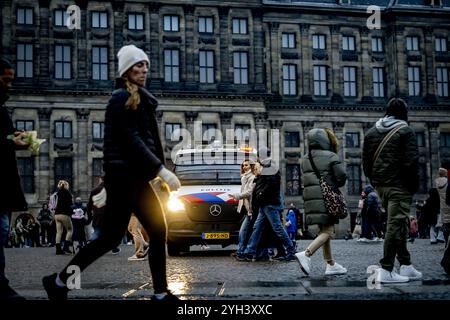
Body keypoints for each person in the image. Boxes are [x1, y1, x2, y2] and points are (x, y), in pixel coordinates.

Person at [42, 44, 181, 301]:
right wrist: (161, 169)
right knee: (108, 239)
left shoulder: (139, 97)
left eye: (146, 65)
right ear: (127, 69)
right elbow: (131, 139)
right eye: (139, 65)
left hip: (137, 179)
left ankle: (161, 293)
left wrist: (156, 172)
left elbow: (144, 141)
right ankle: (60, 281)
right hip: (124, 179)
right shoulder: (120, 98)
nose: (144, 69)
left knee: (158, 230)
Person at [363, 97, 422, 283]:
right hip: (399, 185)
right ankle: (386, 269)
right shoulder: (406, 131)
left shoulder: (372, 132)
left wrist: (375, 180)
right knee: (395, 225)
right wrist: (412, 186)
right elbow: (411, 162)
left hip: (380, 185)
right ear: (404, 113)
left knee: (400, 222)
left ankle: (405, 265)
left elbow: (366, 163)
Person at [295, 128, 348, 276]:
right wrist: (336, 184)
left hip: (311, 200)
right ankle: (306, 253)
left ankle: (330, 264)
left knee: (324, 231)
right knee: (329, 231)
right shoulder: (331, 156)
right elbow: (342, 175)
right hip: (327, 199)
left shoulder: (305, 158)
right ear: (325, 140)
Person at [0, 58, 28, 300]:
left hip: (3, 185)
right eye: (5, 80)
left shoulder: (1, 107)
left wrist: (14, 137)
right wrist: (10, 141)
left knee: (0, 232)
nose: (10, 85)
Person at [240, 147, 296, 262]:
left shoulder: (270, 167)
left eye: (258, 156)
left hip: (269, 203)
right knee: (257, 227)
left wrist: (260, 194)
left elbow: (270, 184)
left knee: (277, 228)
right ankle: (249, 252)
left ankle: (291, 250)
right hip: (264, 203)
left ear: (262, 156)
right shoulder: (267, 166)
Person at [229, 159, 256, 258]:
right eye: (243, 165)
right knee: (247, 231)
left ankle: (241, 251)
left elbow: (249, 193)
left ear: (251, 166)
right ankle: (243, 250)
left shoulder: (251, 177)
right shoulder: (244, 177)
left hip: (250, 208)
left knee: (243, 231)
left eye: (246, 165)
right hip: (246, 207)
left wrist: (237, 196)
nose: (244, 167)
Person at [86, 177, 120, 254]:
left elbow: (89, 205)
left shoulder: (94, 190)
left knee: (97, 231)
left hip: (97, 215)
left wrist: (89, 217)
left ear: (101, 180)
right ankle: (114, 248)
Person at [54, 180, 74, 255]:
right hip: (64, 214)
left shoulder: (57, 193)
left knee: (59, 232)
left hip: (56, 215)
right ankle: (66, 247)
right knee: (70, 230)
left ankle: (58, 250)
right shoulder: (67, 193)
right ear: (66, 185)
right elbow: (70, 204)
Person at [434, 168, 450, 244]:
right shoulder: (447, 181)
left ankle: (445, 240)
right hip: (448, 202)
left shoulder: (437, 182)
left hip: (442, 204)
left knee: (445, 222)